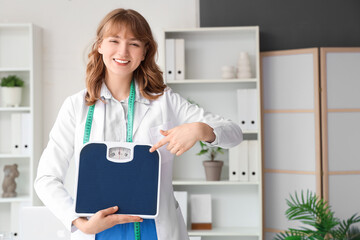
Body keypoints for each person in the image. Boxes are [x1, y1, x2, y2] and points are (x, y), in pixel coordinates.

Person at [34, 8, 242, 240]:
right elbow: (46, 178)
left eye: (134, 43)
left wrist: (200, 129)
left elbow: (234, 133)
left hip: (155, 230)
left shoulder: (165, 101)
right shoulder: (76, 106)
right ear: (100, 45)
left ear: (144, 52)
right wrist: (80, 224)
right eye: (114, 40)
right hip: (97, 231)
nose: (123, 51)